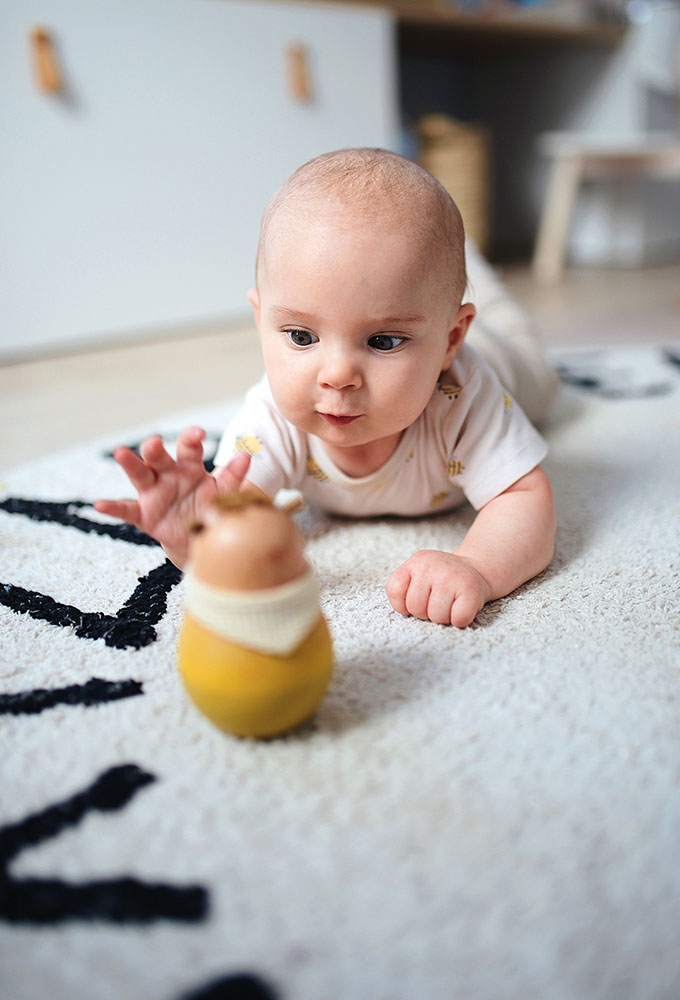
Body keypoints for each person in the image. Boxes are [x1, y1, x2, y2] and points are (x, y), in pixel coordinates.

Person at [95, 148, 557, 628]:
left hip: (511, 364)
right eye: (301, 336)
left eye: (382, 340)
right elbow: (235, 523)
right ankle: (459, 277)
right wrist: (193, 534)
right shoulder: (270, 418)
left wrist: (477, 566)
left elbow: (524, 500)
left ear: (450, 339)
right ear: (261, 321)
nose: (336, 375)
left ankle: (476, 272)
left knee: (538, 369)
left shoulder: (465, 397)